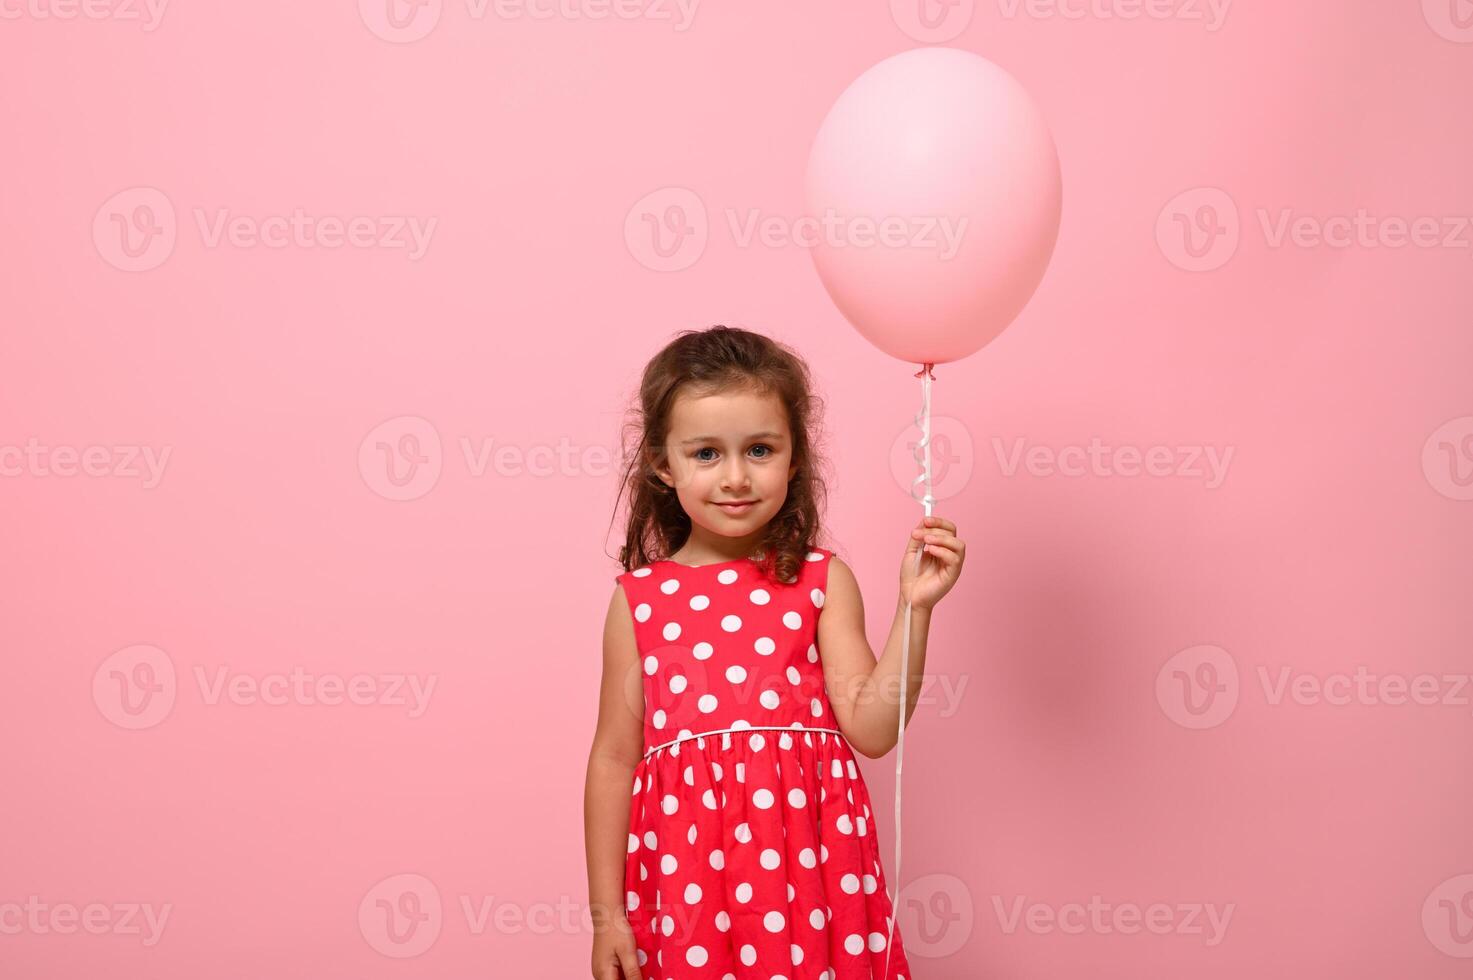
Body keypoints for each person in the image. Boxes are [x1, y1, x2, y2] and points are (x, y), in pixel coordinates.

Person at [585, 324, 964, 979]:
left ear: (794, 458)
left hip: (813, 880)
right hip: (689, 889)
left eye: (759, 449)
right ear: (661, 463)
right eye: (706, 453)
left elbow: (872, 730)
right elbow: (614, 760)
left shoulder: (820, 582)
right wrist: (607, 917)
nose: (735, 477)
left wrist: (915, 607)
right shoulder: (639, 601)